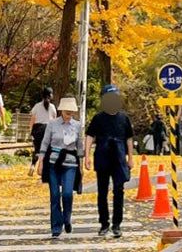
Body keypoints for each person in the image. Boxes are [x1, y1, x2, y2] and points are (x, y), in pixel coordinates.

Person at [85, 84, 134, 239]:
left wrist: (130, 158)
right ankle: (104, 223)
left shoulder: (123, 118)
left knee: (119, 191)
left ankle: (117, 224)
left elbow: (129, 138)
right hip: (102, 155)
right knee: (102, 192)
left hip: (119, 158)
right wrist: (86, 156)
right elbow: (89, 136)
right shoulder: (98, 118)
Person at [38, 96, 83, 239]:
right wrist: (41, 161)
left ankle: (67, 218)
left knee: (67, 194)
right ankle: (56, 227)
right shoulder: (52, 124)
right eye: (67, 110)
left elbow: (80, 146)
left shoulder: (77, 125)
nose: (70, 112)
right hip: (53, 162)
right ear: (62, 110)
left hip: (70, 163)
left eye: (72, 110)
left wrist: (81, 164)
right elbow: (45, 143)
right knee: (55, 195)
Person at [28, 87, 57, 177]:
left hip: (37, 129)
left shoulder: (37, 106)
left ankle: (33, 165)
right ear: (50, 95)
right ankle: (42, 169)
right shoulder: (52, 107)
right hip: (48, 128)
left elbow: (33, 119)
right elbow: (55, 120)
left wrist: (30, 130)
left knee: (37, 150)